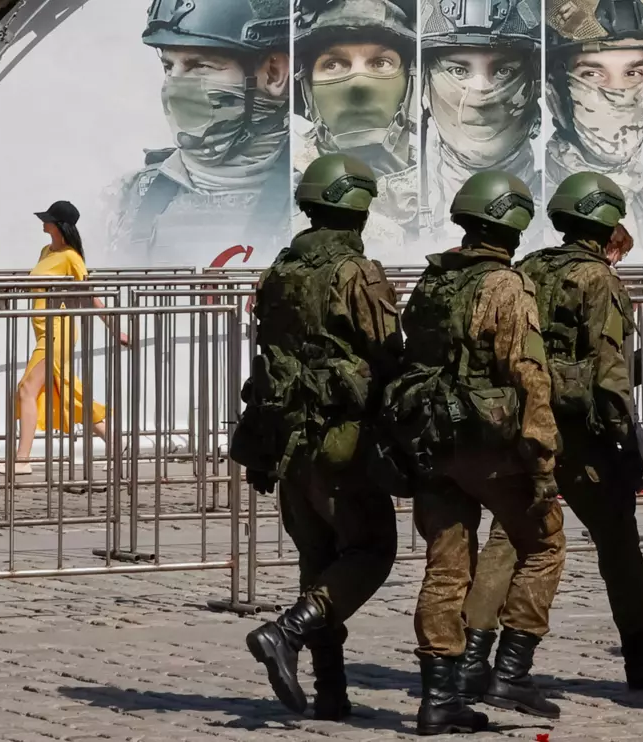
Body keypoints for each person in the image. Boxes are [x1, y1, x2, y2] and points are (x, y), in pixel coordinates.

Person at [456, 173, 643, 699]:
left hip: (527, 426)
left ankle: (472, 657)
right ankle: (640, 653)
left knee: (508, 540)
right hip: (582, 435)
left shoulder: (527, 267)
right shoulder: (599, 280)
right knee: (618, 546)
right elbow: (611, 374)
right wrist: (628, 442)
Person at [384, 170, 563, 734]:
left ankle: (439, 697)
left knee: (446, 568)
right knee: (545, 544)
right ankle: (511, 670)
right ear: (514, 224)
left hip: (432, 442)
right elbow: (528, 372)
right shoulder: (507, 286)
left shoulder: (434, 281)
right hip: (490, 448)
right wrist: (543, 458)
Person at [231, 154, 403, 720]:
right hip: (340, 439)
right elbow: (387, 351)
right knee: (371, 551)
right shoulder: (357, 273)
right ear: (358, 209)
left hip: (287, 439)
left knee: (318, 560)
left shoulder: (280, 270)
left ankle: (331, 690)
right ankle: (287, 632)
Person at [107, 0, 291, 268]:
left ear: (273, 75)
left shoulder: (319, 204)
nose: (174, 85)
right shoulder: (125, 199)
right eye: (168, 67)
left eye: (198, 66)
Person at [0, 201, 128, 477]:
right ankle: (115, 442)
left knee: (27, 390)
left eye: (49, 219)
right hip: (44, 330)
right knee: (64, 393)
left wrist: (115, 329)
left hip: (58, 332)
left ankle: (22, 460)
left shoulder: (71, 257)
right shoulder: (46, 251)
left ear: (59, 226)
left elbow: (90, 296)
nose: (43, 222)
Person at [291, 0, 419, 246]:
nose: (359, 83)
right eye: (333, 64)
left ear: (410, 82)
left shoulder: (442, 192)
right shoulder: (280, 199)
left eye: (381, 63)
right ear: (307, 87)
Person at [545, 0, 643, 250]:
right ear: (555, 86)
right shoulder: (531, 212)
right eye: (592, 74)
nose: (619, 93)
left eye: (633, 73)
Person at [419, 0, 541, 242]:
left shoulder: (557, 209)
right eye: (458, 71)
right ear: (425, 80)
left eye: (504, 71)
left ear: (534, 84)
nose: (480, 97)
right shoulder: (396, 213)